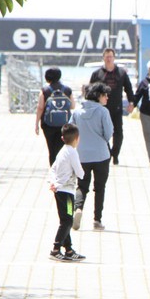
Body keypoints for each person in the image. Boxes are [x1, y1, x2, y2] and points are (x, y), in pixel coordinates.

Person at [71, 82, 113, 232]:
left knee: (82, 185)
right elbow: (108, 133)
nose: (107, 98)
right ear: (98, 96)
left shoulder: (76, 112)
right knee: (100, 187)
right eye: (105, 95)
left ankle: (78, 209)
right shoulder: (103, 112)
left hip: (82, 155)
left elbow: (70, 130)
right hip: (101, 154)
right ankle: (97, 219)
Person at [88, 48, 135, 165]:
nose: (109, 59)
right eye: (107, 57)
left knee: (118, 132)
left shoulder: (122, 73)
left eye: (111, 57)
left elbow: (128, 89)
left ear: (114, 58)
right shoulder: (97, 74)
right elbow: (90, 90)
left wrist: (131, 103)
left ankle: (115, 154)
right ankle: (108, 153)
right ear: (103, 58)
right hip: (101, 108)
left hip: (117, 108)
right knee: (102, 132)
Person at [48, 123, 86, 261]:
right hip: (67, 192)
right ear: (76, 138)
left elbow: (53, 168)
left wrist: (52, 181)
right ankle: (56, 249)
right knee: (67, 220)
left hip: (59, 190)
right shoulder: (72, 152)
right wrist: (82, 174)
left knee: (65, 219)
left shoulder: (62, 151)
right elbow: (79, 171)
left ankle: (68, 249)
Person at [35, 67, 75, 166]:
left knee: (51, 149)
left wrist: (36, 123)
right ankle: (62, 169)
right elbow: (73, 106)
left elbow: (40, 107)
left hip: (48, 124)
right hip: (64, 124)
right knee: (62, 148)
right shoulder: (67, 90)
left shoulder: (45, 90)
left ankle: (53, 171)